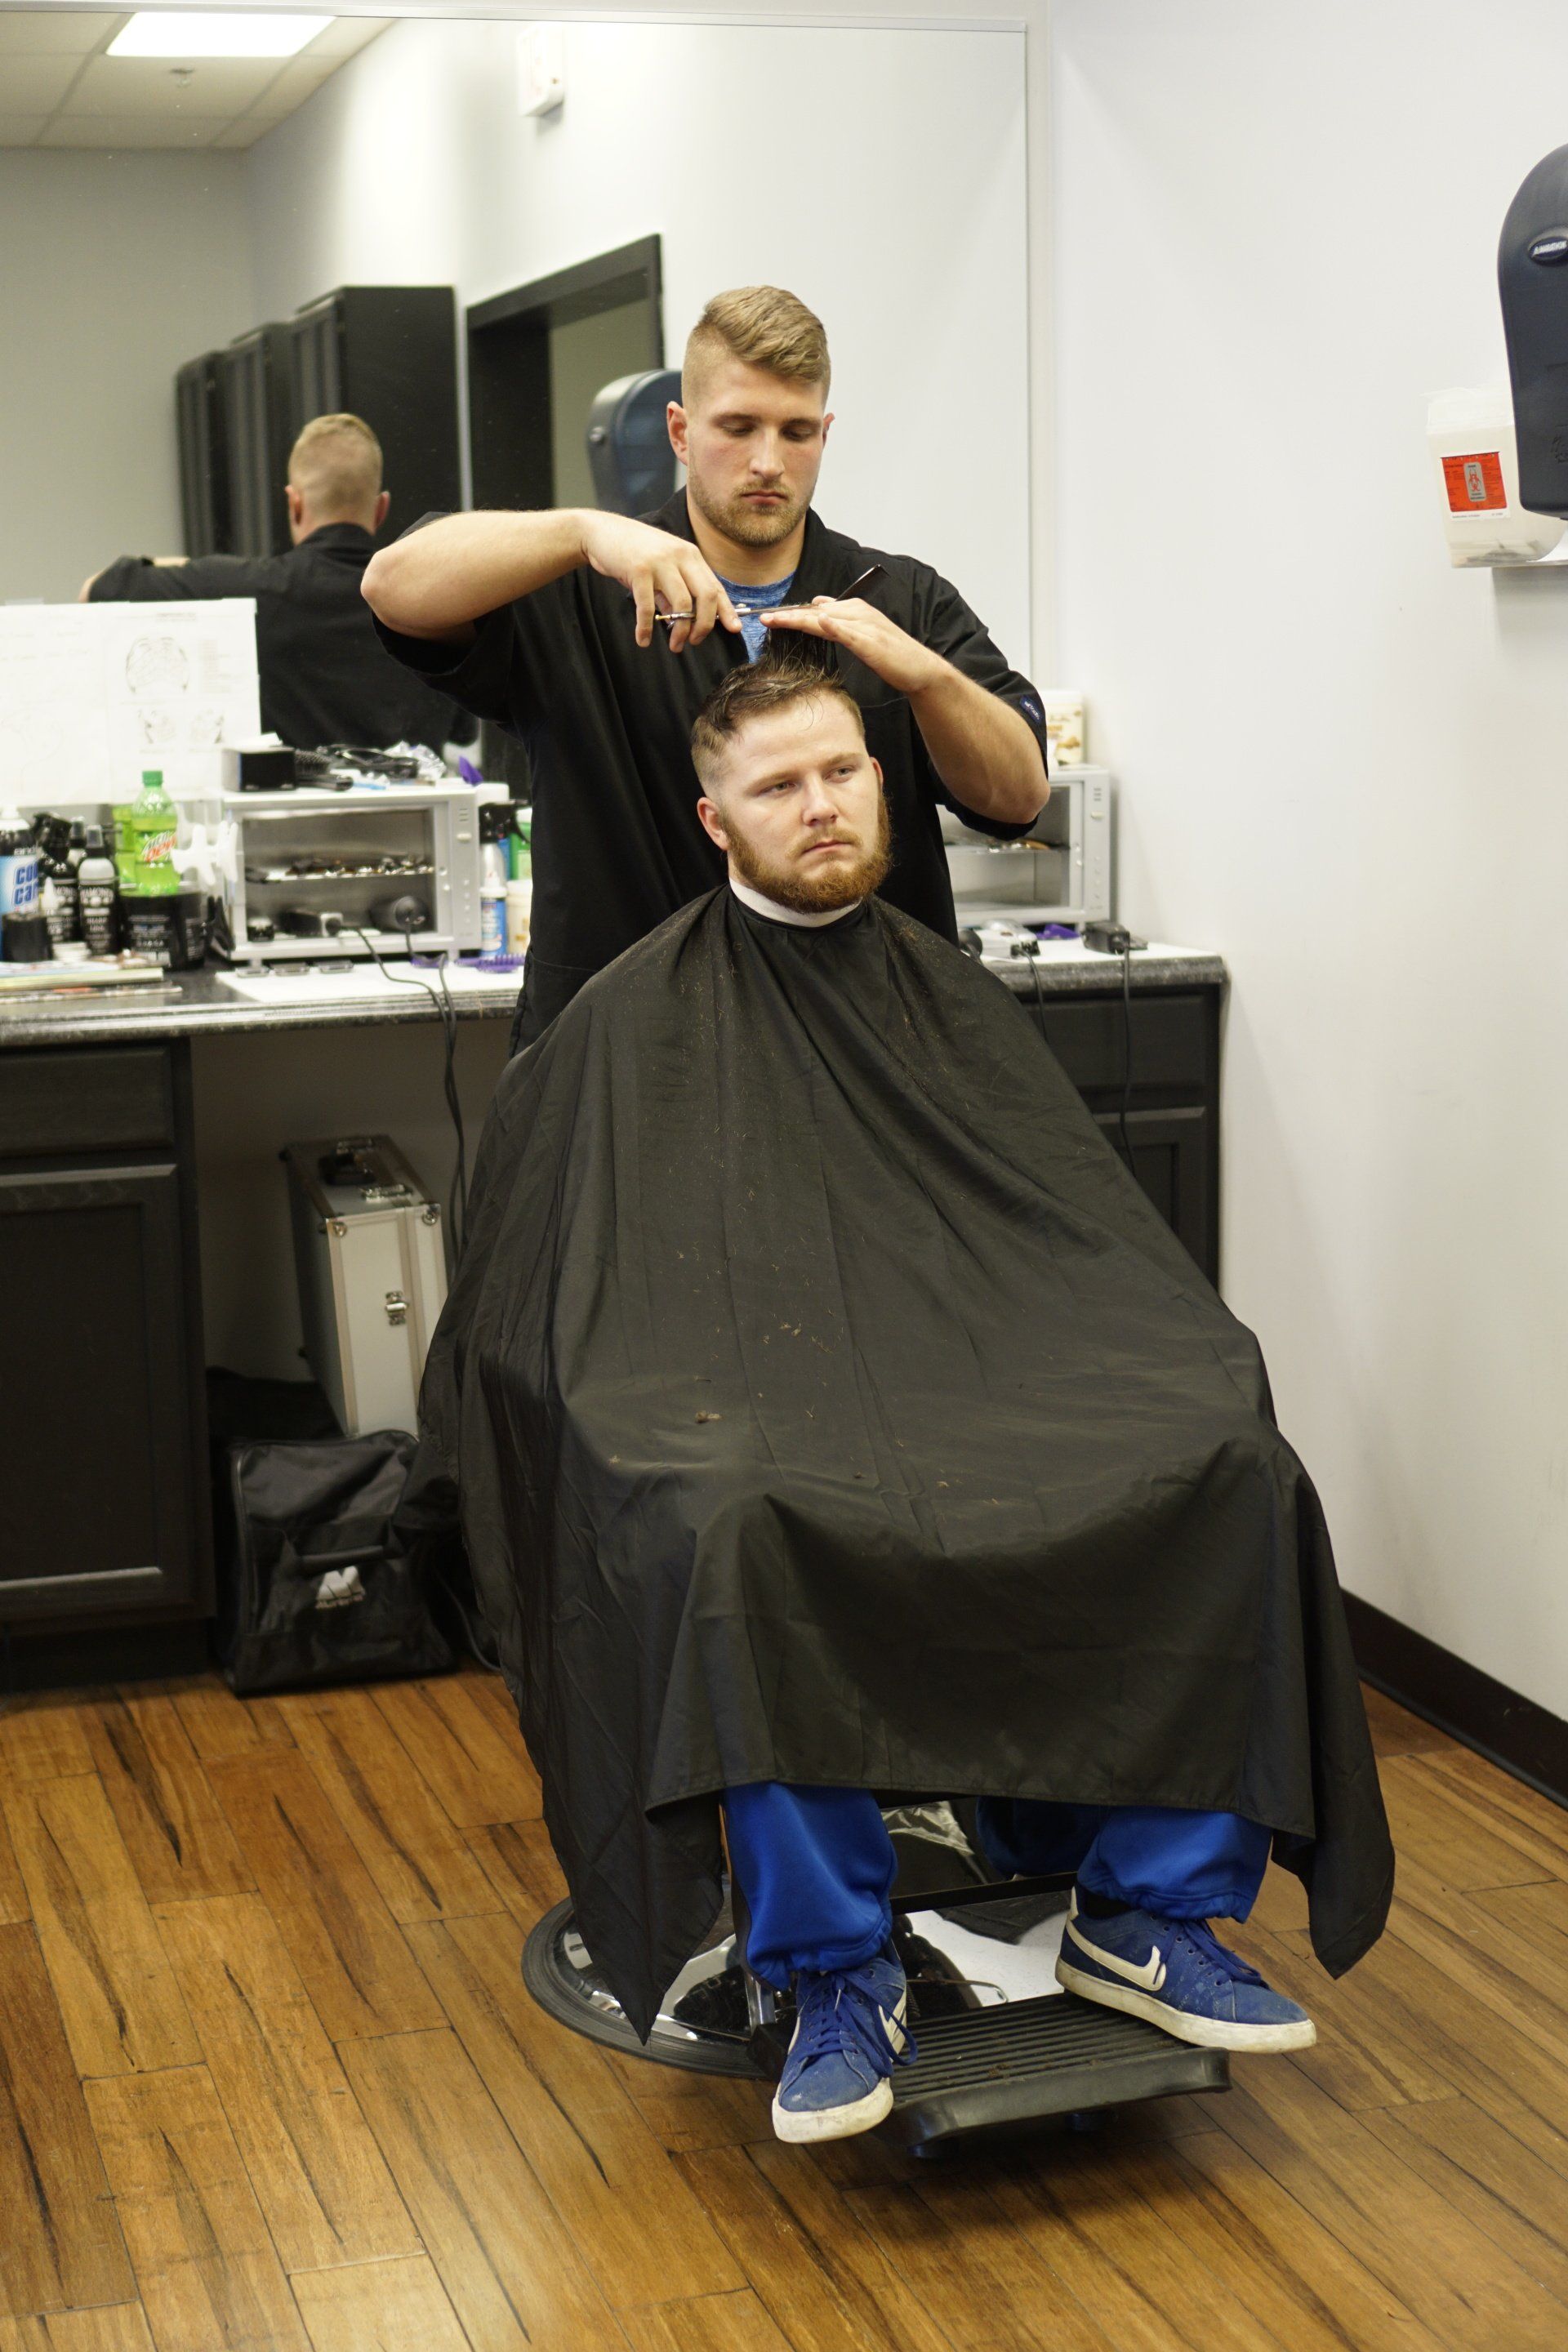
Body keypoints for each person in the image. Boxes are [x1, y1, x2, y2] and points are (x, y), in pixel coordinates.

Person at [409, 653, 1395, 2147]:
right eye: (778, 786)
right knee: (738, 1523)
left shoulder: (946, 994)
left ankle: (1149, 1912)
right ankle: (827, 1971)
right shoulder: (629, 1021)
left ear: (884, 779)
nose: (820, 806)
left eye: (843, 772)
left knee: (1225, 1462)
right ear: (713, 820)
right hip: (732, 1404)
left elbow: (1065, 1242)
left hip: (969, 1382)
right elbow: (547, 1312)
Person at [361, 284, 1051, 1049]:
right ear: (680, 433)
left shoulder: (901, 599)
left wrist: (927, 679)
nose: (768, 462)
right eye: (738, 427)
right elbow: (391, 586)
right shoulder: (580, 592)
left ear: (825, 434)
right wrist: (584, 532)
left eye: (795, 432)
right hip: (631, 1057)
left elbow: (1018, 797)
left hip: (868, 1051)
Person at [81, 412, 473, 756]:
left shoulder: (254, 589)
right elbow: (463, 728)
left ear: (295, 504)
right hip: (421, 832)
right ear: (381, 506)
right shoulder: (433, 604)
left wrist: (184, 564)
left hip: (292, 835)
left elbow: (98, 588)